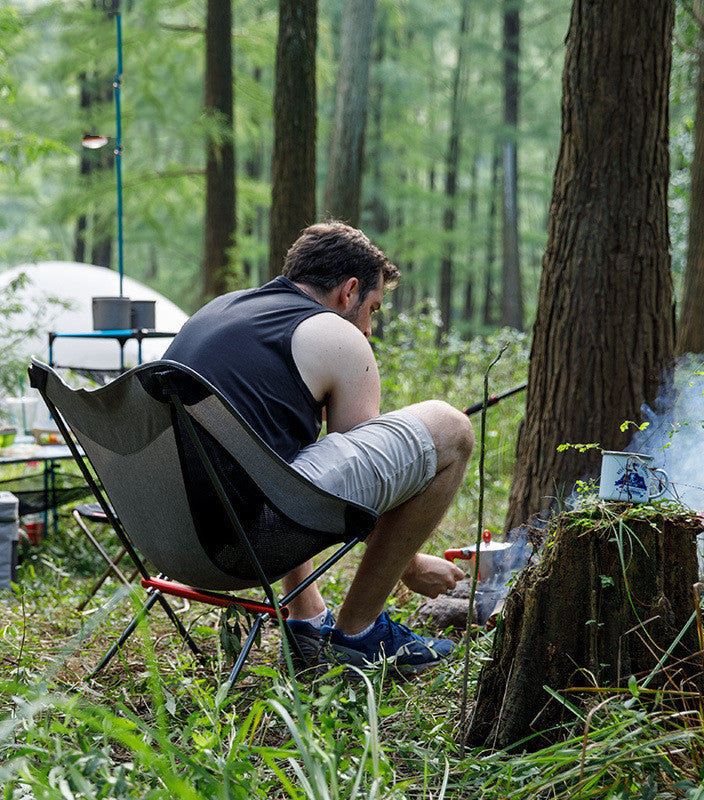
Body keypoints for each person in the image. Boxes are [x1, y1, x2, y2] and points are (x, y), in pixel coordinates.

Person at [164, 221, 474, 674]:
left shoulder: (220, 311)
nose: (368, 329)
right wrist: (410, 566)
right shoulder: (334, 332)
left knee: (284, 454)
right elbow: (364, 490)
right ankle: (359, 634)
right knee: (451, 428)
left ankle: (306, 619)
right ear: (348, 292)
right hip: (245, 543)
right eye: (372, 308)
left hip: (171, 541)